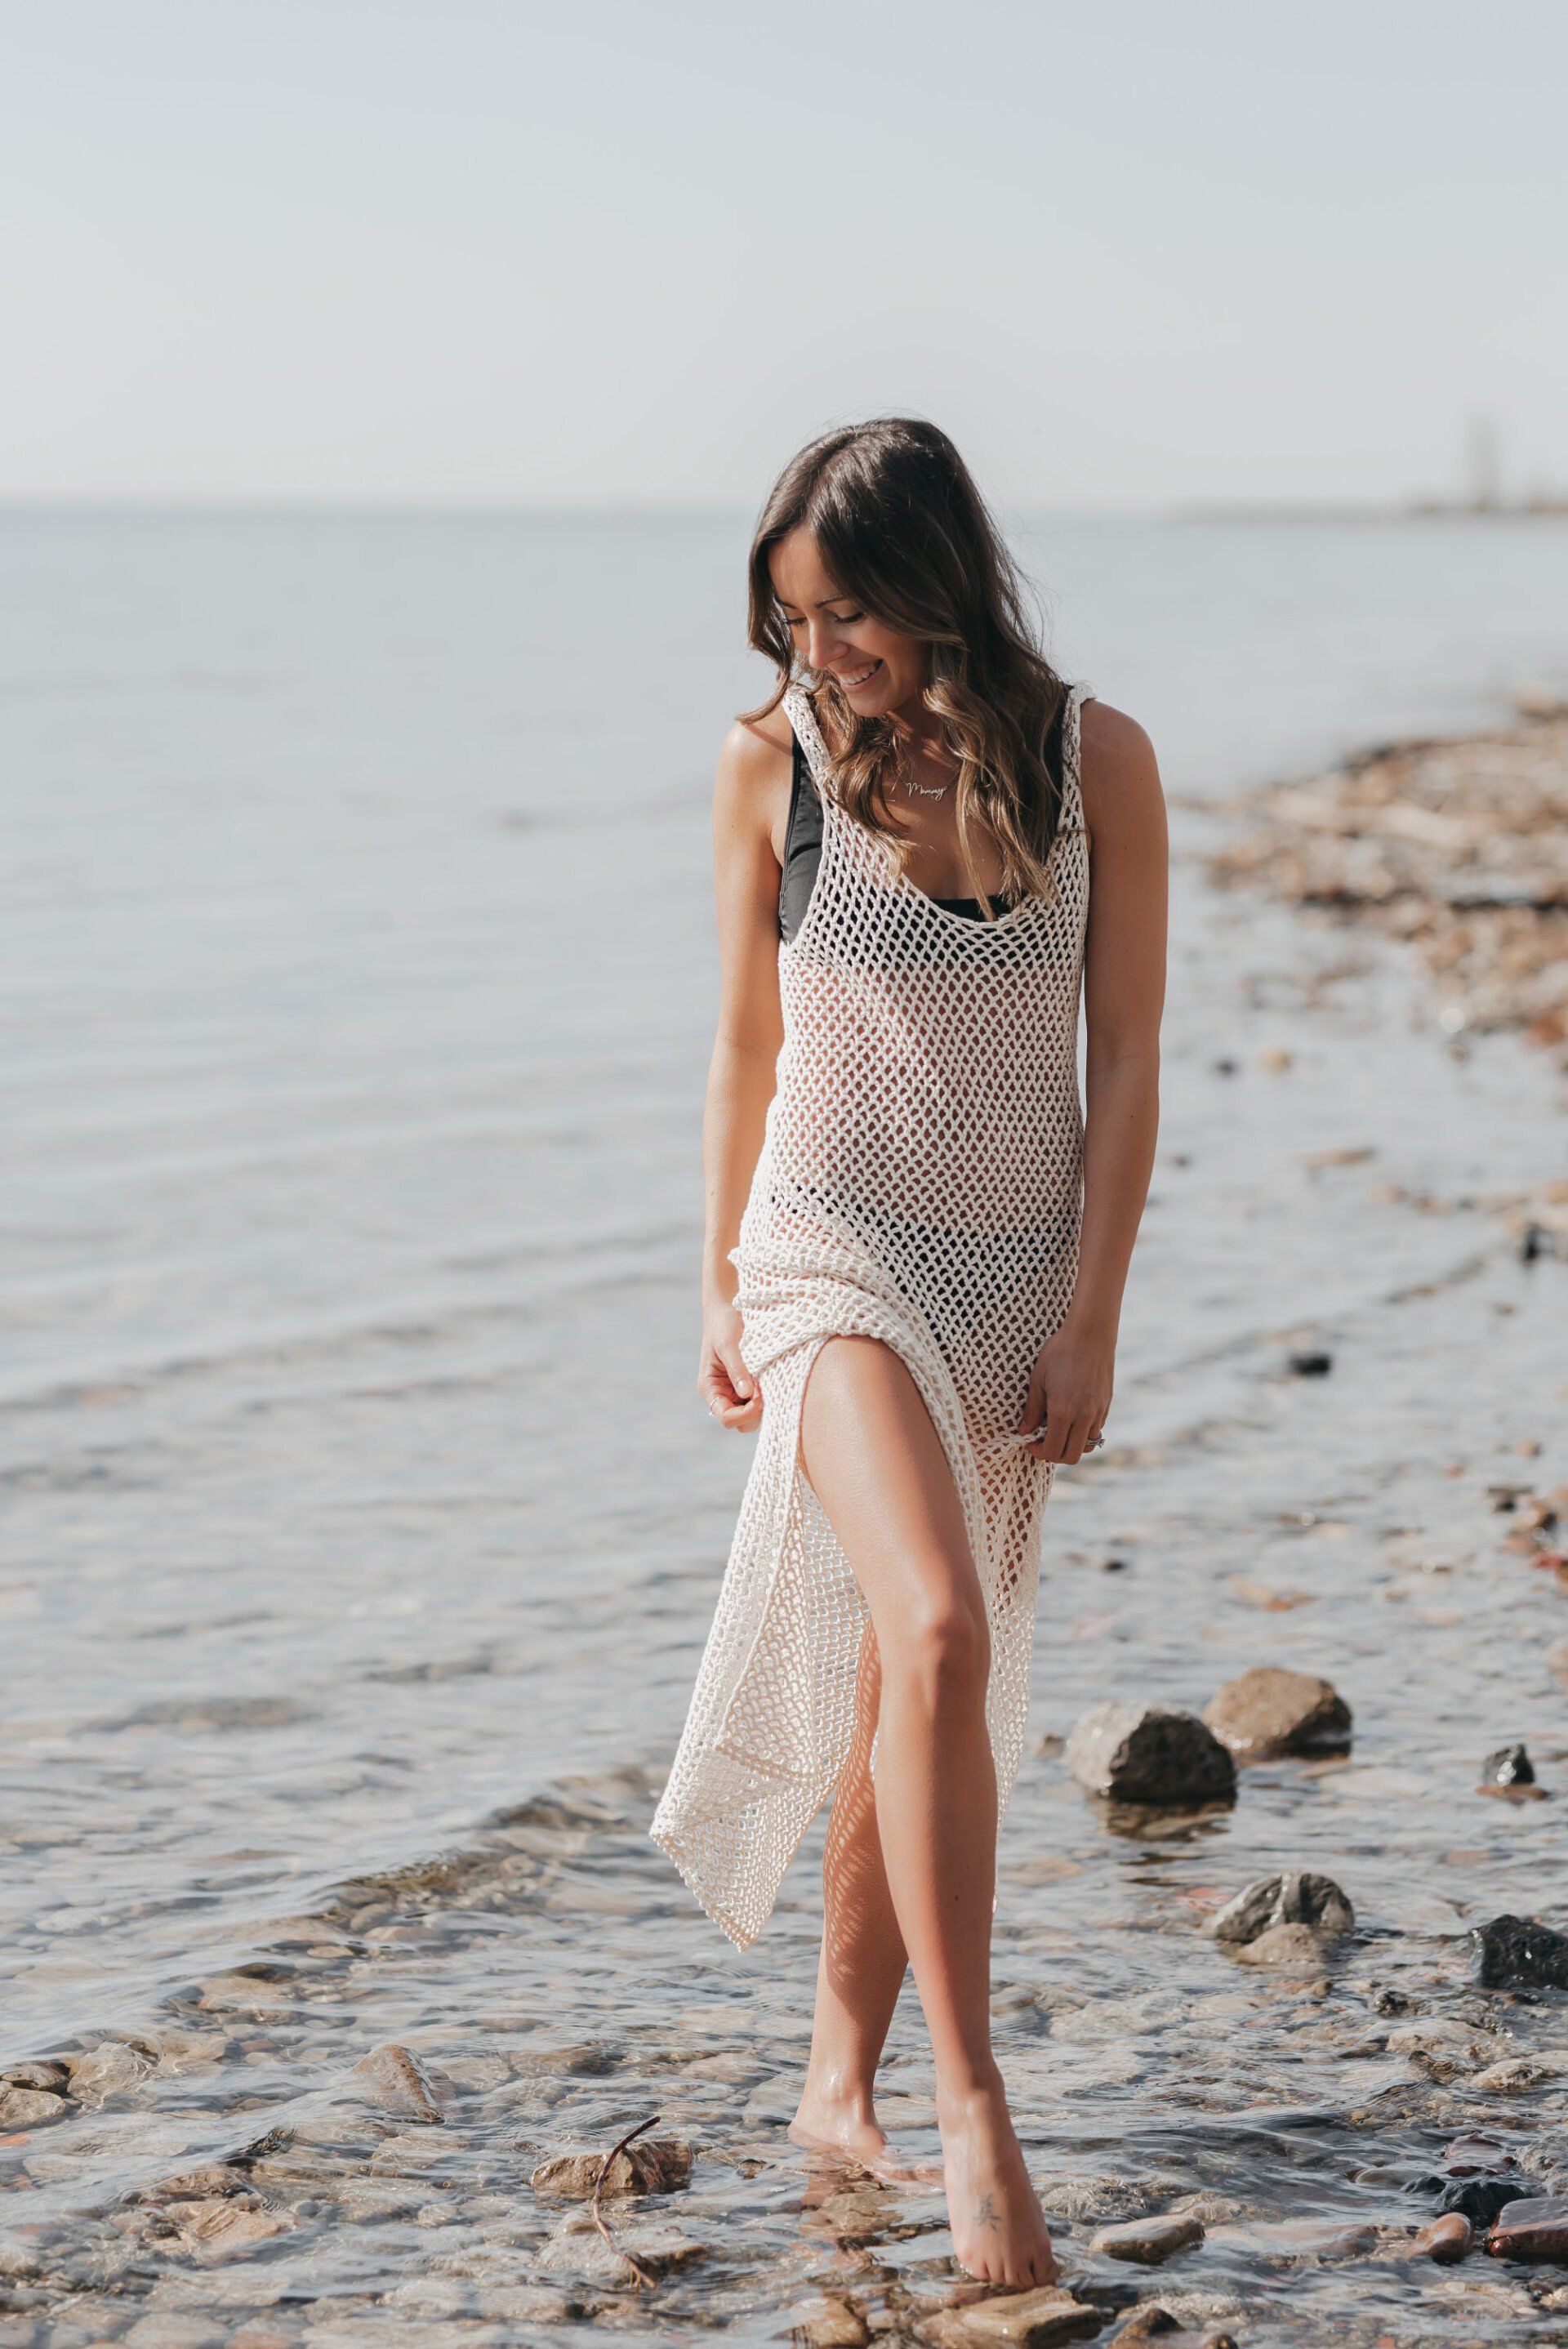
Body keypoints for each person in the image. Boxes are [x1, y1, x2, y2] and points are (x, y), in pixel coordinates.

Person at [650, 417, 1167, 2289]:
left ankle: (833, 2082)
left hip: (1013, 1279)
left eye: (846, 614)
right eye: (794, 622)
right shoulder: (768, 765)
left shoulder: (1093, 762)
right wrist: (719, 1280)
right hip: (828, 1251)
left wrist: (1095, 1307)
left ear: (938, 580)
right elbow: (739, 1043)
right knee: (936, 1631)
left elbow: (1125, 1073)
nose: (821, 657)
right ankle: (973, 2111)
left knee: (909, 1683)